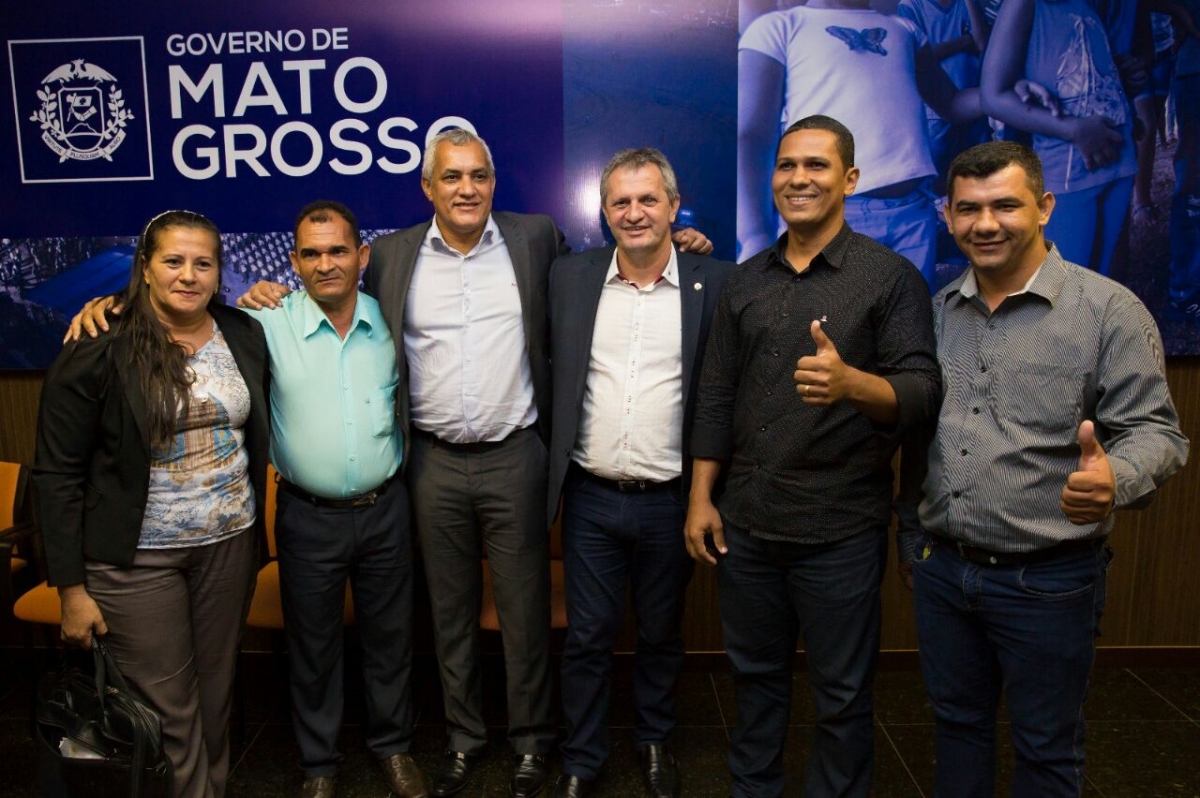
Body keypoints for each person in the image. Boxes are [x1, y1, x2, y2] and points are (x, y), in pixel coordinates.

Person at [237, 129, 711, 798]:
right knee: (449, 612)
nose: (467, 189)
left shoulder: (536, 239)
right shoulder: (394, 255)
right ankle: (463, 740)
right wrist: (265, 292)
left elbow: (610, 270)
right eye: (452, 177)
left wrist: (679, 243)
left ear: (493, 183)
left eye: (479, 176)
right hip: (429, 463)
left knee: (522, 612)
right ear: (428, 188)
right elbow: (328, 286)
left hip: (516, 455)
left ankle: (530, 744)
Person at [65, 201, 428, 798]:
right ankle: (319, 766)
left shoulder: (389, 319)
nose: (325, 264)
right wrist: (111, 305)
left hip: (387, 509)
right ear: (293, 262)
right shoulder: (261, 323)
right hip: (307, 516)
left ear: (362, 256)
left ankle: (394, 749)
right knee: (311, 648)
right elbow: (178, 316)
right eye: (310, 253)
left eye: (338, 250)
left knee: (391, 641)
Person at [902, 141, 1189, 797]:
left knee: (1046, 751)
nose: (986, 223)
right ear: (947, 216)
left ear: (1045, 207)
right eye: (969, 209)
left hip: (1049, 581)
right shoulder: (940, 309)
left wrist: (1115, 477)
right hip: (945, 571)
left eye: (1005, 205)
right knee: (958, 729)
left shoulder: (1107, 310)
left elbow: (1157, 433)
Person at [685, 116, 941, 797]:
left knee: (842, 696)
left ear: (850, 179)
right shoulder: (742, 283)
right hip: (746, 524)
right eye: (787, 165)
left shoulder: (890, 280)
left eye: (818, 166)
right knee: (756, 684)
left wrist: (853, 385)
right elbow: (714, 396)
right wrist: (701, 498)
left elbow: (921, 393)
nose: (799, 178)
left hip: (840, 530)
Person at [34, 210, 270, 798]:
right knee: (168, 707)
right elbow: (56, 474)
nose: (188, 275)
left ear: (220, 273)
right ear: (144, 269)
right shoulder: (98, 343)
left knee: (215, 693)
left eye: (203, 263)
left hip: (228, 546)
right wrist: (70, 588)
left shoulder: (242, 333)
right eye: (172, 261)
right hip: (135, 562)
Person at [545, 149, 732, 798]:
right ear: (603, 213)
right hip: (591, 496)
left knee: (660, 633)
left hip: (672, 501)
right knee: (588, 637)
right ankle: (582, 757)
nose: (634, 213)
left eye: (648, 199)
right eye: (620, 202)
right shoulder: (569, 279)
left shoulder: (717, 282)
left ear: (675, 207)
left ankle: (655, 743)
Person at [737, 0, 981, 285]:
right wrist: (755, 236)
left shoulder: (905, 30)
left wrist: (1005, 91)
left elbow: (950, 102)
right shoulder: (779, 28)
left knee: (904, 324)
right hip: (827, 215)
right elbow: (754, 137)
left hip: (912, 217)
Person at [981, 0, 1137, 276]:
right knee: (1064, 288)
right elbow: (993, 96)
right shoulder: (1024, 5)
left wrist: (1127, 75)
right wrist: (1073, 130)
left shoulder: (1089, 5)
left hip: (1117, 157)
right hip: (1068, 171)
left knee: (1109, 281)